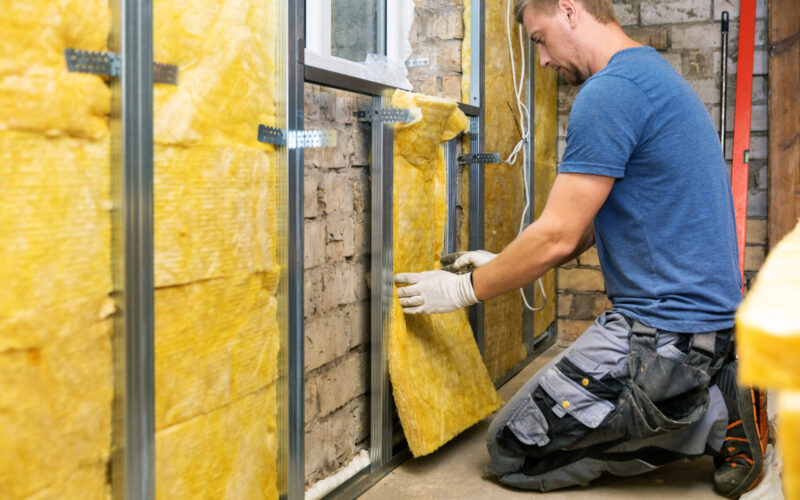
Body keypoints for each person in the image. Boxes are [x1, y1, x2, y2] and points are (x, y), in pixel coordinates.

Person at [392, 0, 768, 496]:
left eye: (540, 39)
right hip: (701, 327)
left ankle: (714, 416)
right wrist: (503, 263)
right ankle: (709, 384)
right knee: (533, 434)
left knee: (512, 451)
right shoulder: (649, 73)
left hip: (662, 336)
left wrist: (463, 290)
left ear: (570, 11)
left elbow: (558, 236)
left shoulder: (609, 93)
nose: (543, 60)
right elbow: (585, 224)